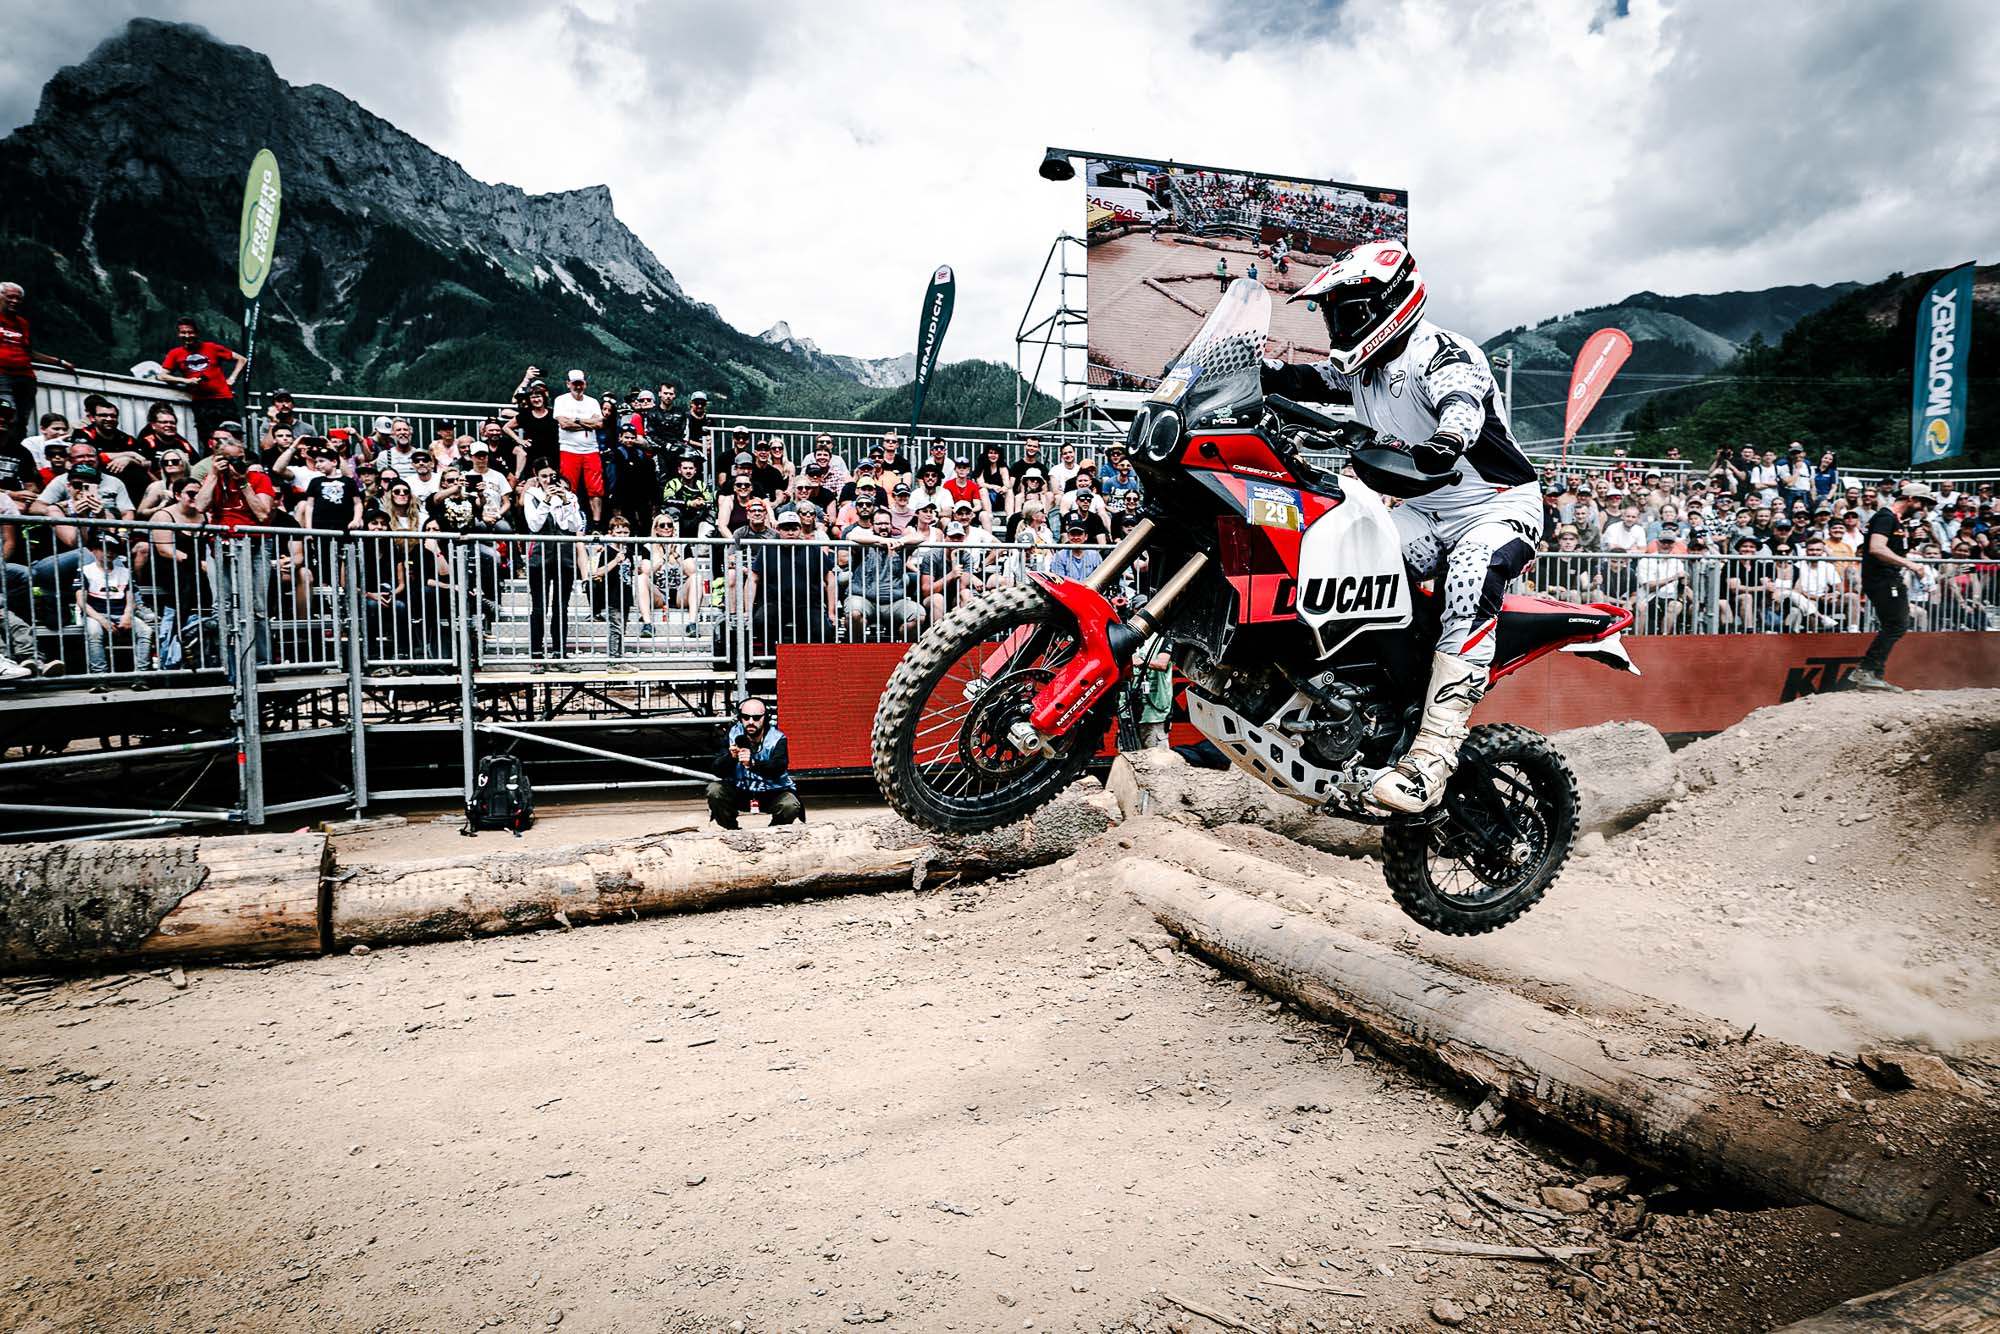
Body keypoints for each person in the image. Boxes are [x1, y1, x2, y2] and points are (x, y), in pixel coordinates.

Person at [1261, 243, 1542, 812]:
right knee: (1348, 556)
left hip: (1494, 507)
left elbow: (1461, 400)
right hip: (1422, 512)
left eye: (1348, 312)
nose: (1339, 326)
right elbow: (1311, 381)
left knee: (1470, 575)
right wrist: (1255, 372)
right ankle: (1373, 704)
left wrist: (1445, 441)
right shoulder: (1362, 368)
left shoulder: (1439, 353)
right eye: (1332, 314)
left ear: (1387, 304)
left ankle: (1431, 761)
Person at [1844, 481, 1933, 692]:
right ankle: (1866, 670)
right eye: (1923, 503)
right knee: (1897, 624)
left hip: (1887, 578)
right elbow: (1876, 548)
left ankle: (1874, 675)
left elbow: (1890, 551)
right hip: (1882, 579)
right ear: (1911, 499)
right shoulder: (1885, 517)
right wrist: (1911, 564)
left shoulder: (1897, 521)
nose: (1924, 509)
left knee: (1893, 625)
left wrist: (1911, 543)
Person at [705, 696, 803, 829]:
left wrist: (753, 764)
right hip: (740, 790)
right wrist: (731, 757)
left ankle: (773, 834)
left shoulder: (777, 738)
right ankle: (732, 831)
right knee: (714, 790)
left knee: (790, 804)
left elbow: (777, 769)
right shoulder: (733, 734)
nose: (750, 721)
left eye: (756, 718)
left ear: (765, 718)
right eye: (745, 717)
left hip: (772, 791)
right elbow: (717, 770)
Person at [0, 282, 75, 445]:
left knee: (21, 421)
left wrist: (58, 362)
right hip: (2, 375)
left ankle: (17, 454)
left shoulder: (22, 323)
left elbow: (29, 352)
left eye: (18, 298)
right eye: (10, 297)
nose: (14, 301)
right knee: (8, 414)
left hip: (25, 376)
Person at [158, 317, 246, 443]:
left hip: (223, 399)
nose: (187, 336)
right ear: (178, 334)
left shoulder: (211, 347)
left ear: (197, 333)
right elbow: (163, 375)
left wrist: (232, 378)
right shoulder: (175, 353)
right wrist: (186, 381)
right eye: (183, 333)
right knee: (208, 439)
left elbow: (241, 359)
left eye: (190, 332)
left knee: (234, 436)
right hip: (201, 402)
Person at [553, 370, 606, 527]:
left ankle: (596, 524)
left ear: (585, 384)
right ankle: (570, 520)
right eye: (574, 383)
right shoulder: (561, 400)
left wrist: (575, 420)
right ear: (568, 384)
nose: (577, 387)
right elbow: (564, 424)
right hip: (569, 448)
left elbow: (599, 424)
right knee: (568, 485)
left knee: (596, 487)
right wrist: (587, 423)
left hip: (591, 449)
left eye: (580, 383)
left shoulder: (592, 402)